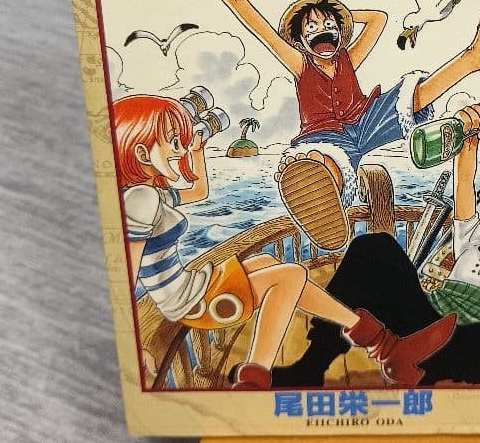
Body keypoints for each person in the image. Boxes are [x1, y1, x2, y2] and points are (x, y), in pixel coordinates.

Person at [114, 94, 457, 390]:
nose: (180, 150)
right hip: (190, 301)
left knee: (269, 264)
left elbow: (199, 191)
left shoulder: (150, 194)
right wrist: (131, 343)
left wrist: (199, 148)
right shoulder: (142, 199)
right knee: (290, 276)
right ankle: (254, 378)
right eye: (174, 143)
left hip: (195, 286)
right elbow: (126, 268)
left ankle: (387, 347)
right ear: (142, 152)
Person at [203, 0, 480, 251]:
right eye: (311, 28)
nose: (322, 32)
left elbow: (378, 19)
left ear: (340, 34)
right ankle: (317, 190)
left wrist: (339, 14)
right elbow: (263, 32)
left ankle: (474, 56)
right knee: (327, 162)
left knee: (408, 97)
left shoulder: (348, 58)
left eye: (329, 27)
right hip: (326, 135)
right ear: (299, 41)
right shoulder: (301, 65)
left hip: (366, 120)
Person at [273, 103, 480, 387]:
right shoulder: (470, 240)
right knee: (375, 246)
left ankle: (428, 362)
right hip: (421, 324)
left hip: (463, 342)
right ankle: (311, 366)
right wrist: (470, 137)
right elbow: (464, 182)